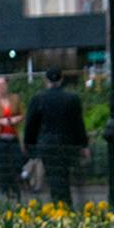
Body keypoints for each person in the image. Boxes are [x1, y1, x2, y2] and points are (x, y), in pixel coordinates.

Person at [22, 68, 88, 206]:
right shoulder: (72, 99)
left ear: (46, 80)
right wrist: (83, 144)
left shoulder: (38, 99)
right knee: (63, 175)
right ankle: (65, 203)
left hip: (46, 143)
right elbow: (78, 124)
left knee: (53, 177)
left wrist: (29, 143)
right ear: (61, 79)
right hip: (66, 143)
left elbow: (31, 125)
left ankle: (58, 203)